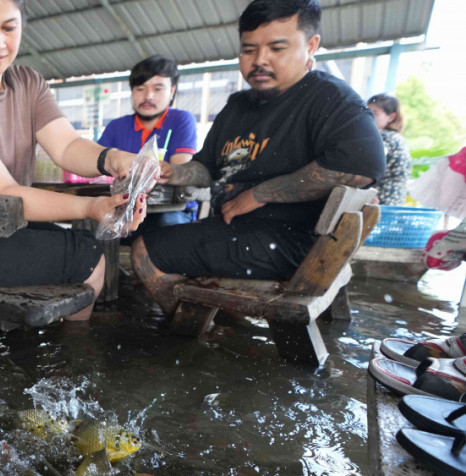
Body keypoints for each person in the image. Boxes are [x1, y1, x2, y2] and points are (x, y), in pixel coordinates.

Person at [130, 0, 385, 311]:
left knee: (145, 249)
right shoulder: (237, 106)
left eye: (277, 48)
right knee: (163, 237)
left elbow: (361, 168)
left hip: (293, 242)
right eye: (249, 50)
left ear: (311, 46)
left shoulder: (329, 97)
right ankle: (217, 320)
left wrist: (261, 194)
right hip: (238, 233)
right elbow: (207, 167)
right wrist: (172, 172)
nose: (259, 60)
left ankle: (194, 333)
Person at [0, 0, 152, 321]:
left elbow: (67, 145)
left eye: (9, 28)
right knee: (89, 256)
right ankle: (74, 354)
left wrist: (113, 158)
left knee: (83, 244)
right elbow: (3, 192)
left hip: (5, 225)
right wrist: (89, 207)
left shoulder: (27, 82)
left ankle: (59, 345)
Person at [98, 54, 199, 227]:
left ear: (172, 91)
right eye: (140, 88)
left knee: (166, 232)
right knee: (90, 229)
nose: (148, 96)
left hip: (170, 209)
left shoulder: (181, 120)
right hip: (123, 207)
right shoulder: (116, 126)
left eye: (158, 89)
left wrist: (169, 170)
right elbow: (95, 168)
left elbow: (181, 168)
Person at [367, 93, 413, 205]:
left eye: (374, 113)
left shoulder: (385, 138)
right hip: (396, 201)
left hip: (382, 201)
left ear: (391, 117)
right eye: (367, 111)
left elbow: (367, 166)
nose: (368, 116)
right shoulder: (396, 137)